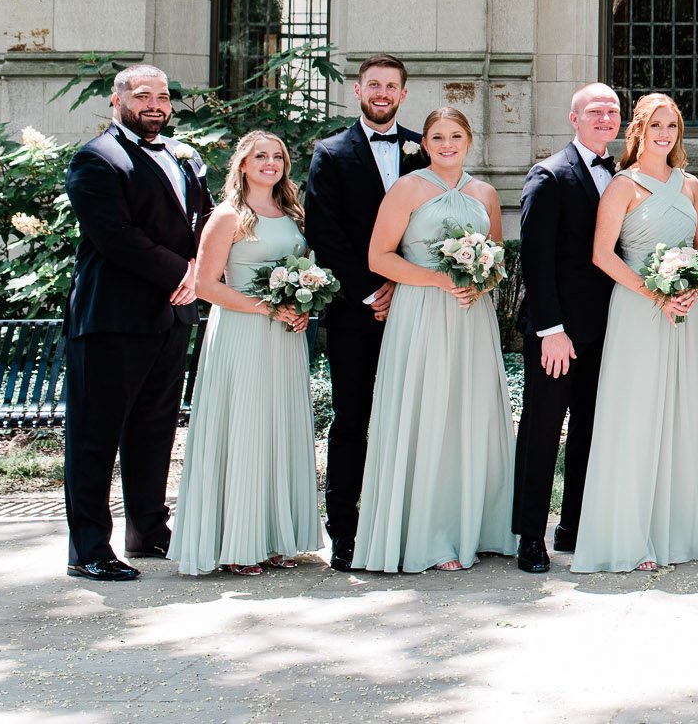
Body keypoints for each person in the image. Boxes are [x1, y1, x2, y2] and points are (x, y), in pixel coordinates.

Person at [352, 108, 518, 573]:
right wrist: (439, 280)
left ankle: (477, 526)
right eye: (438, 137)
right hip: (421, 314)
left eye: (457, 135)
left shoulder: (484, 193)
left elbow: (498, 261)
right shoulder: (407, 188)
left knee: (469, 413)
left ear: (470, 140)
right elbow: (379, 257)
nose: (448, 144)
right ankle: (429, 533)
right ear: (425, 143)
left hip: (471, 318)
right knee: (427, 412)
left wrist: (480, 281)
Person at [61, 64, 207, 581]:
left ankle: (148, 530)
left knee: (154, 430)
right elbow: (114, 236)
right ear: (117, 100)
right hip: (112, 318)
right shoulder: (95, 159)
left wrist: (203, 271)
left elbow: (203, 223)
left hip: (171, 315)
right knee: (95, 436)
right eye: (143, 96)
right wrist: (186, 272)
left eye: (163, 97)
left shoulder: (183, 158)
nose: (155, 106)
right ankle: (88, 548)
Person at [574, 93, 698, 571]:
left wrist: (690, 285)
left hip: (683, 314)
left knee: (680, 412)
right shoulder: (623, 185)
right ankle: (631, 535)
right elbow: (602, 255)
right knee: (636, 415)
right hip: (639, 311)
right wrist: (654, 292)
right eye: (656, 125)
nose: (665, 134)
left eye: (673, 126)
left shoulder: (691, 185)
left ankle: (679, 531)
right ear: (638, 130)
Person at [171, 130, 324, 576]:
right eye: (260, 156)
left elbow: (304, 274)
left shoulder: (294, 215)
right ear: (242, 165)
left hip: (284, 338)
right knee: (246, 431)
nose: (270, 163)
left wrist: (300, 309)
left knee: (279, 429)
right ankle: (238, 542)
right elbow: (205, 286)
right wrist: (268, 308)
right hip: (241, 335)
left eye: (277, 156)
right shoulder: (227, 217)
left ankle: (276, 537)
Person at [304, 54, 426, 570]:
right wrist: (372, 289)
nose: (382, 92)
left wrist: (403, 286)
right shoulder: (330, 153)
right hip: (357, 311)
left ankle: (407, 522)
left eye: (391, 86)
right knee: (353, 420)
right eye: (373, 84)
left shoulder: (426, 148)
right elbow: (323, 230)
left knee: (412, 417)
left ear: (402, 94)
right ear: (358, 92)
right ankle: (344, 529)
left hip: (417, 309)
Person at [511, 83, 623, 573]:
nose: (605, 119)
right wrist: (550, 329)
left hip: (608, 329)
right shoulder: (549, 175)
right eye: (595, 111)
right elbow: (534, 261)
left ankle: (572, 525)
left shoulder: (619, 174)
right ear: (574, 118)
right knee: (542, 432)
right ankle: (530, 536)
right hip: (557, 333)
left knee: (589, 432)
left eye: (613, 111)